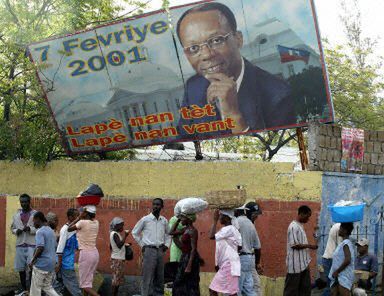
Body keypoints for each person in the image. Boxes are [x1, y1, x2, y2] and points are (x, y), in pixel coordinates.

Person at [176, 2, 295, 138]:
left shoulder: (278, 95)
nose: (206, 55)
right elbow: (183, 139)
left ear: (238, 39)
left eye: (216, 40)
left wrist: (233, 114)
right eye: (194, 48)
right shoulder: (194, 87)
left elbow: (273, 151)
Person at [132, 198, 171, 296]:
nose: (155, 206)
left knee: (160, 276)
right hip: (149, 250)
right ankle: (145, 294)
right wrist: (142, 245)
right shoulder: (145, 219)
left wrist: (166, 245)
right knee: (147, 276)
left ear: (162, 207)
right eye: (154, 204)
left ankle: (158, 294)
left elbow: (169, 234)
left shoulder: (164, 221)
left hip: (160, 251)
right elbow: (135, 233)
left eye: (158, 205)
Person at [283, 205, 318, 296]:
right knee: (291, 291)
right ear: (302, 214)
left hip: (303, 264)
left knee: (305, 289)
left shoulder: (300, 226)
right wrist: (310, 246)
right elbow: (294, 245)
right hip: (295, 265)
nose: (308, 219)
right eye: (308, 216)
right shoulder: (293, 226)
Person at [68, 205, 100, 296]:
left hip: (86, 254)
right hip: (94, 253)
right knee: (88, 283)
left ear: (85, 213)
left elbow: (69, 228)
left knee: (83, 285)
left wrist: (79, 217)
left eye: (82, 211)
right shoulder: (96, 222)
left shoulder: (82, 222)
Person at [208, 209, 242, 296]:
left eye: (221, 216)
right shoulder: (232, 229)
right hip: (230, 264)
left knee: (213, 289)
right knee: (232, 292)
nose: (219, 218)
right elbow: (239, 247)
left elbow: (211, 236)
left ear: (227, 218)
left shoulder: (228, 229)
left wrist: (214, 220)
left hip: (229, 265)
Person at [11, 193, 37, 296]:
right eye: (22, 202)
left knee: (31, 268)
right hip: (20, 244)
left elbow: (39, 228)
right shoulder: (16, 215)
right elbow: (12, 228)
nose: (24, 204)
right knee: (21, 268)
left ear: (29, 202)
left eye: (26, 201)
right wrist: (16, 231)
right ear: (20, 202)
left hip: (31, 244)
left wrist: (30, 229)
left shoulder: (35, 214)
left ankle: (31, 289)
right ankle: (24, 288)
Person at [28, 211, 60, 296]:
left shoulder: (40, 232)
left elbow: (40, 248)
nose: (33, 223)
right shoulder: (51, 231)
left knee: (35, 289)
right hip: (51, 264)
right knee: (47, 287)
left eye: (33, 221)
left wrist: (32, 261)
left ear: (38, 219)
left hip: (42, 265)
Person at [169, 213, 200, 296]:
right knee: (179, 282)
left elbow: (193, 249)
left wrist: (189, 266)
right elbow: (171, 232)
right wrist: (178, 219)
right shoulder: (185, 229)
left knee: (191, 282)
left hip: (191, 258)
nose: (181, 219)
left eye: (183, 217)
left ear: (189, 219)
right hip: (184, 257)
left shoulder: (193, 231)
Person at [54, 208, 82, 296]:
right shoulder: (65, 229)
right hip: (65, 264)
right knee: (74, 288)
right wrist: (59, 264)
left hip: (69, 262)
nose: (78, 218)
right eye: (77, 216)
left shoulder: (73, 229)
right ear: (70, 217)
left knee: (65, 286)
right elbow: (60, 248)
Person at [234, 204, 260, 296]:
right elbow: (258, 247)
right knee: (249, 288)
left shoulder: (235, 222)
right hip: (249, 259)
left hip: (240, 258)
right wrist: (257, 263)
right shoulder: (250, 223)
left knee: (237, 288)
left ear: (236, 211)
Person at [329, 223, 355, 296]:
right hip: (339, 276)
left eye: (340, 228)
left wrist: (337, 271)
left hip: (343, 276)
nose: (339, 230)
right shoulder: (343, 243)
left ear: (345, 231)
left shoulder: (346, 243)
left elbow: (348, 259)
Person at [245, 201, 263, 295]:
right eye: (255, 214)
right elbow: (257, 247)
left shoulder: (250, 224)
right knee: (255, 285)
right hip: (247, 259)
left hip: (249, 259)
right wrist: (257, 263)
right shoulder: (248, 224)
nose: (256, 216)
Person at [109, 217, 130, 296]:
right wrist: (126, 235)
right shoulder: (114, 234)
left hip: (117, 258)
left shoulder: (115, 234)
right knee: (115, 281)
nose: (122, 227)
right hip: (117, 260)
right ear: (116, 225)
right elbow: (119, 245)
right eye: (121, 225)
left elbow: (112, 247)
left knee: (117, 281)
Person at [322, 223, 342, 296]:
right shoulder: (339, 227)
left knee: (331, 285)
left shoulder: (336, 226)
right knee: (331, 285)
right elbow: (340, 247)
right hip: (331, 259)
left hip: (329, 258)